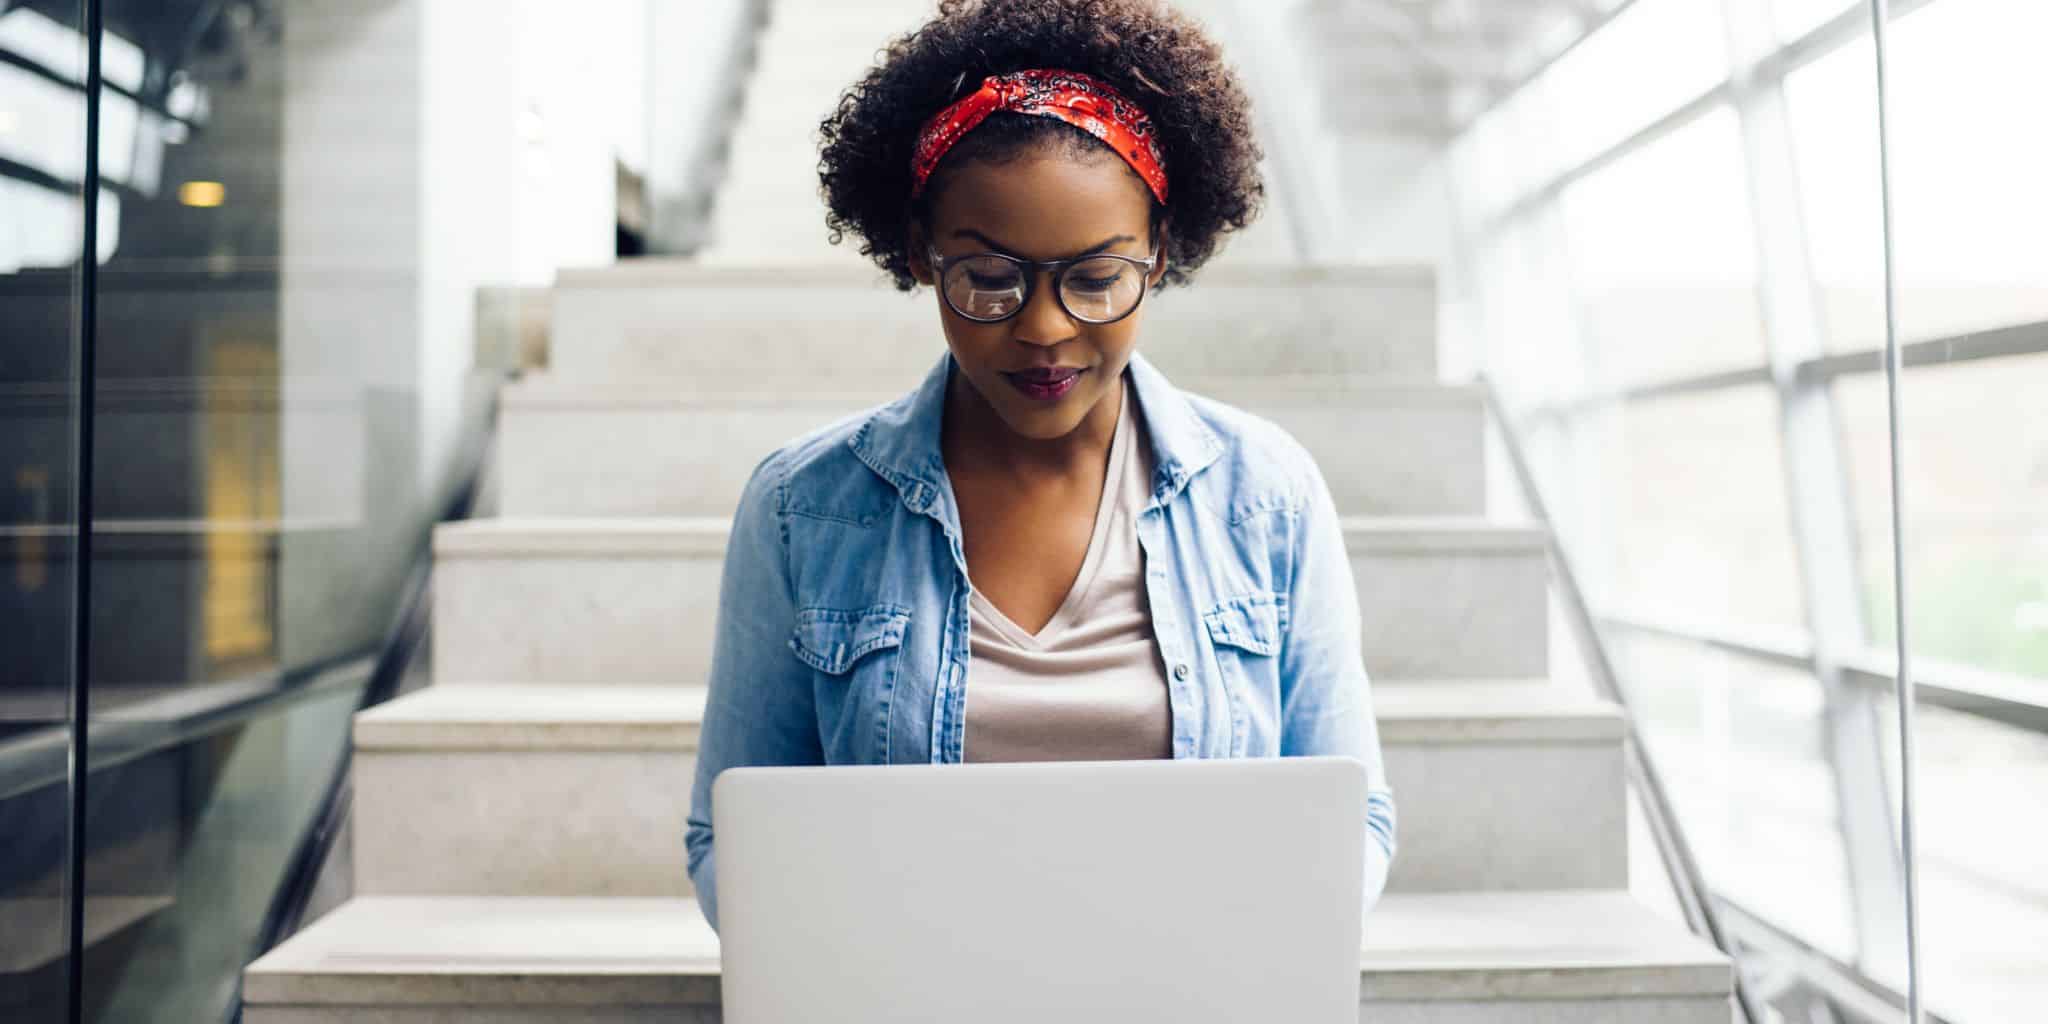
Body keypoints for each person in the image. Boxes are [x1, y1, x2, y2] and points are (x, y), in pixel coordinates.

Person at [685, 0, 1395, 933]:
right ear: (919, 257)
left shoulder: (1266, 495)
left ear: (1160, 254)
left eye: (1097, 278)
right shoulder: (804, 507)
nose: (1046, 328)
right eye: (989, 278)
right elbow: (729, 841)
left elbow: (1356, 824)